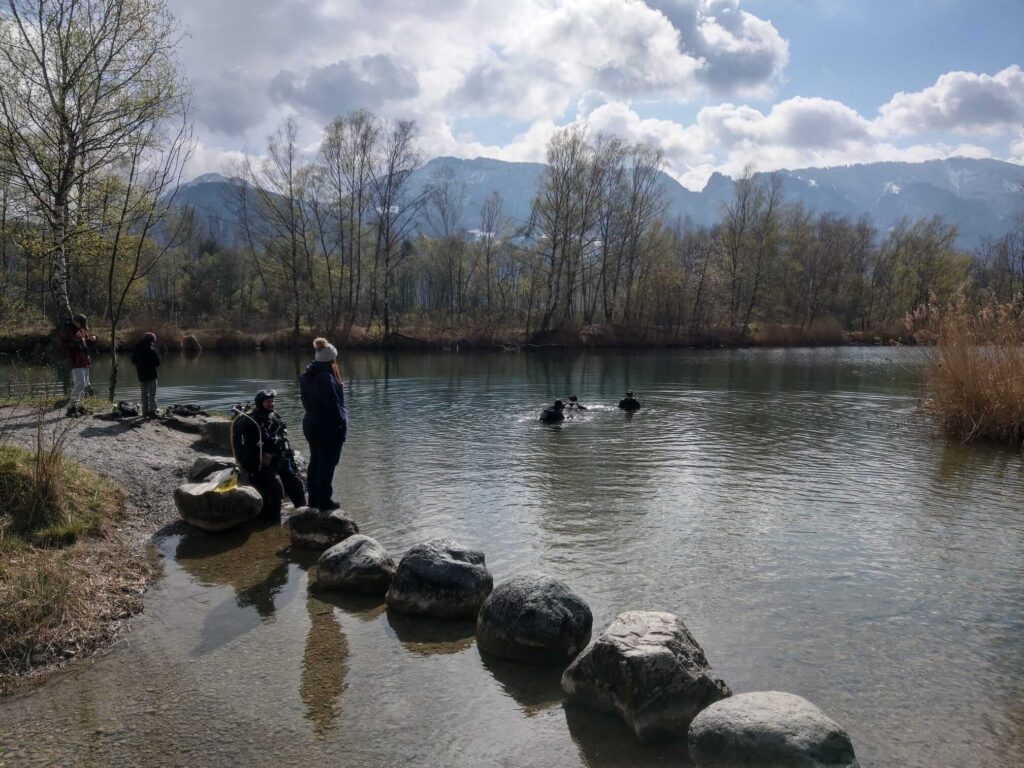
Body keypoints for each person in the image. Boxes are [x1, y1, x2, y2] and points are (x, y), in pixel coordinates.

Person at [232, 389, 306, 517]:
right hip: (261, 465)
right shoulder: (250, 422)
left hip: (279, 459)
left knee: (296, 485)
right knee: (276, 489)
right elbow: (245, 447)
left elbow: (282, 438)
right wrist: (256, 461)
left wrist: (285, 456)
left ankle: (305, 515)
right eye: (268, 402)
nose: (271, 404)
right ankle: (272, 522)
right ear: (260, 403)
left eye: (272, 401)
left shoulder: (274, 416)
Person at [299, 338, 348, 511]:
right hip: (327, 428)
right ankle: (325, 502)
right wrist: (342, 427)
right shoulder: (326, 378)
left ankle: (313, 500)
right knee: (327, 464)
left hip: (311, 424)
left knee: (316, 462)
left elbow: (308, 402)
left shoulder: (307, 375)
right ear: (331, 360)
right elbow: (334, 408)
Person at [60, 313, 97, 416]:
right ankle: (71, 407)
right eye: (82, 324)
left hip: (84, 361)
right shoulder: (68, 331)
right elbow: (63, 346)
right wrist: (76, 344)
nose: (83, 327)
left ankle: (78, 406)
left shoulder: (80, 331)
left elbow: (86, 342)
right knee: (79, 384)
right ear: (77, 322)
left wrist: (94, 339)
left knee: (84, 384)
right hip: (76, 362)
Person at [130, 332, 160, 417]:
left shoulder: (137, 348)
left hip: (141, 374)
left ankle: (144, 411)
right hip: (151, 375)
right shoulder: (151, 350)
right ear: (152, 341)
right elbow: (157, 363)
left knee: (144, 393)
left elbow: (133, 360)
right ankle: (152, 411)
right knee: (152, 394)